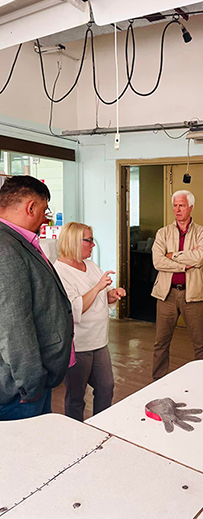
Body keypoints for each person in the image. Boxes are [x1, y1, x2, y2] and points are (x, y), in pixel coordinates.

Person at [0, 176, 73, 420]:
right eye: (44, 210)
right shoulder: (5, 248)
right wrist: (30, 384)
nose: (45, 218)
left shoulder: (17, 241)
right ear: (31, 207)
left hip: (31, 379)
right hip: (20, 389)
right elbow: (13, 325)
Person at [54, 222, 126, 421]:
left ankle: (100, 427)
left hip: (99, 341)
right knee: (76, 397)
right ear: (74, 241)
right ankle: (75, 432)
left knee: (106, 387)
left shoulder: (90, 265)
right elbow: (73, 309)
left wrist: (112, 294)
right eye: (89, 240)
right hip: (79, 344)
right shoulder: (59, 271)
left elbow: (101, 296)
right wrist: (97, 287)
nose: (93, 245)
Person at [151, 190, 203, 380]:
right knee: (160, 343)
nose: (177, 209)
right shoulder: (163, 233)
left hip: (193, 295)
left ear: (191, 207)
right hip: (166, 294)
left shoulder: (202, 232)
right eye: (175, 205)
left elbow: (199, 257)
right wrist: (184, 265)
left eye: (182, 205)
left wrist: (172, 256)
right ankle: (158, 381)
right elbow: (157, 261)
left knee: (201, 344)